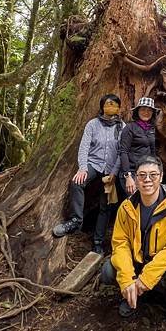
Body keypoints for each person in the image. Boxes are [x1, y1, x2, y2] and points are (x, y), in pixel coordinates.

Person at [100, 156, 166, 331]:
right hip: (138, 261)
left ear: (161, 177)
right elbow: (120, 243)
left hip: (162, 262)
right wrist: (127, 279)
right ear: (136, 178)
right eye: (142, 175)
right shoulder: (126, 207)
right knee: (108, 271)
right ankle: (133, 294)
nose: (147, 180)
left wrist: (147, 277)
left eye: (153, 175)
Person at [53, 94, 124, 254]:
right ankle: (75, 220)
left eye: (114, 104)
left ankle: (98, 241)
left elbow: (122, 152)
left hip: (111, 169)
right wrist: (83, 168)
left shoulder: (122, 127)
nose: (110, 106)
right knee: (77, 183)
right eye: (107, 104)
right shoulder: (93, 124)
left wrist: (114, 172)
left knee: (106, 205)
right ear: (102, 107)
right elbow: (84, 147)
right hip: (94, 164)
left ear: (119, 108)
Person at [111, 97, 160, 199]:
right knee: (135, 202)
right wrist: (128, 176)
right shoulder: (130, 128)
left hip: (146, 172)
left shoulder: (151, 128)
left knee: (148, 202)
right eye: (143, 109)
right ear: (137, 111)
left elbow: (152, 152)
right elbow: (123, 152)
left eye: (149, 110)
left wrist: (156, 171)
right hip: (131, 172)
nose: (146, 112)